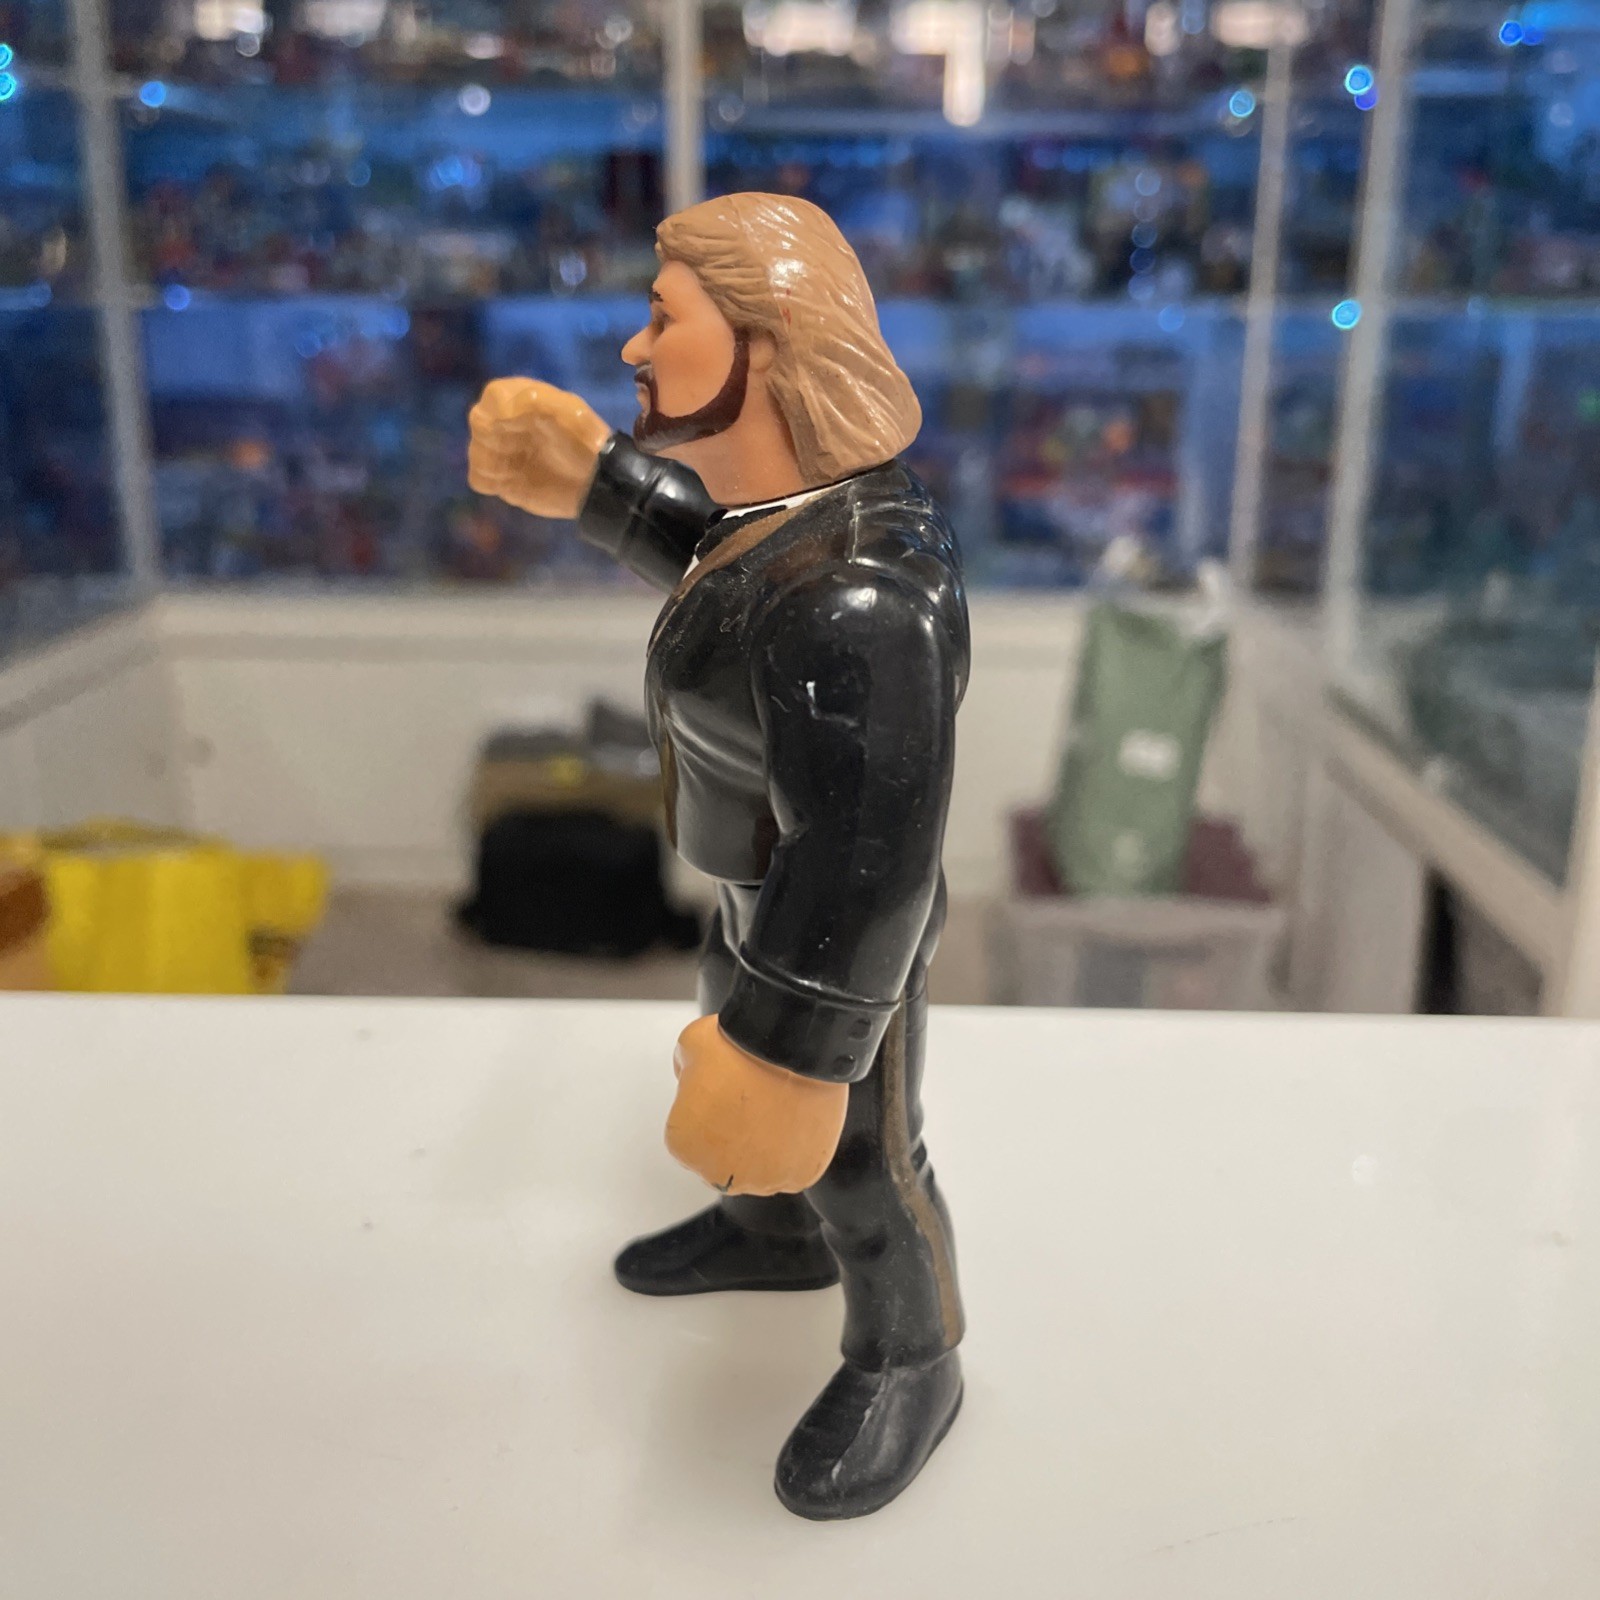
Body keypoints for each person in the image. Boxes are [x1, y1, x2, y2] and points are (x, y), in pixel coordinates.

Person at [468, 192, 968, 1520]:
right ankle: (768, 1229)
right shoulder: (798, 519)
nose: (635, 348)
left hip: (837, 941)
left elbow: (868, 853)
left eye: (662, 318)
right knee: (725, 1028)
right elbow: (723, 567)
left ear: (766, 342)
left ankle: (912, 1354)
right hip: (754, 894)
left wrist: (796, 1052)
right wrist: (600, 484)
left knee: (862, 1152)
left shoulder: (861, 597)